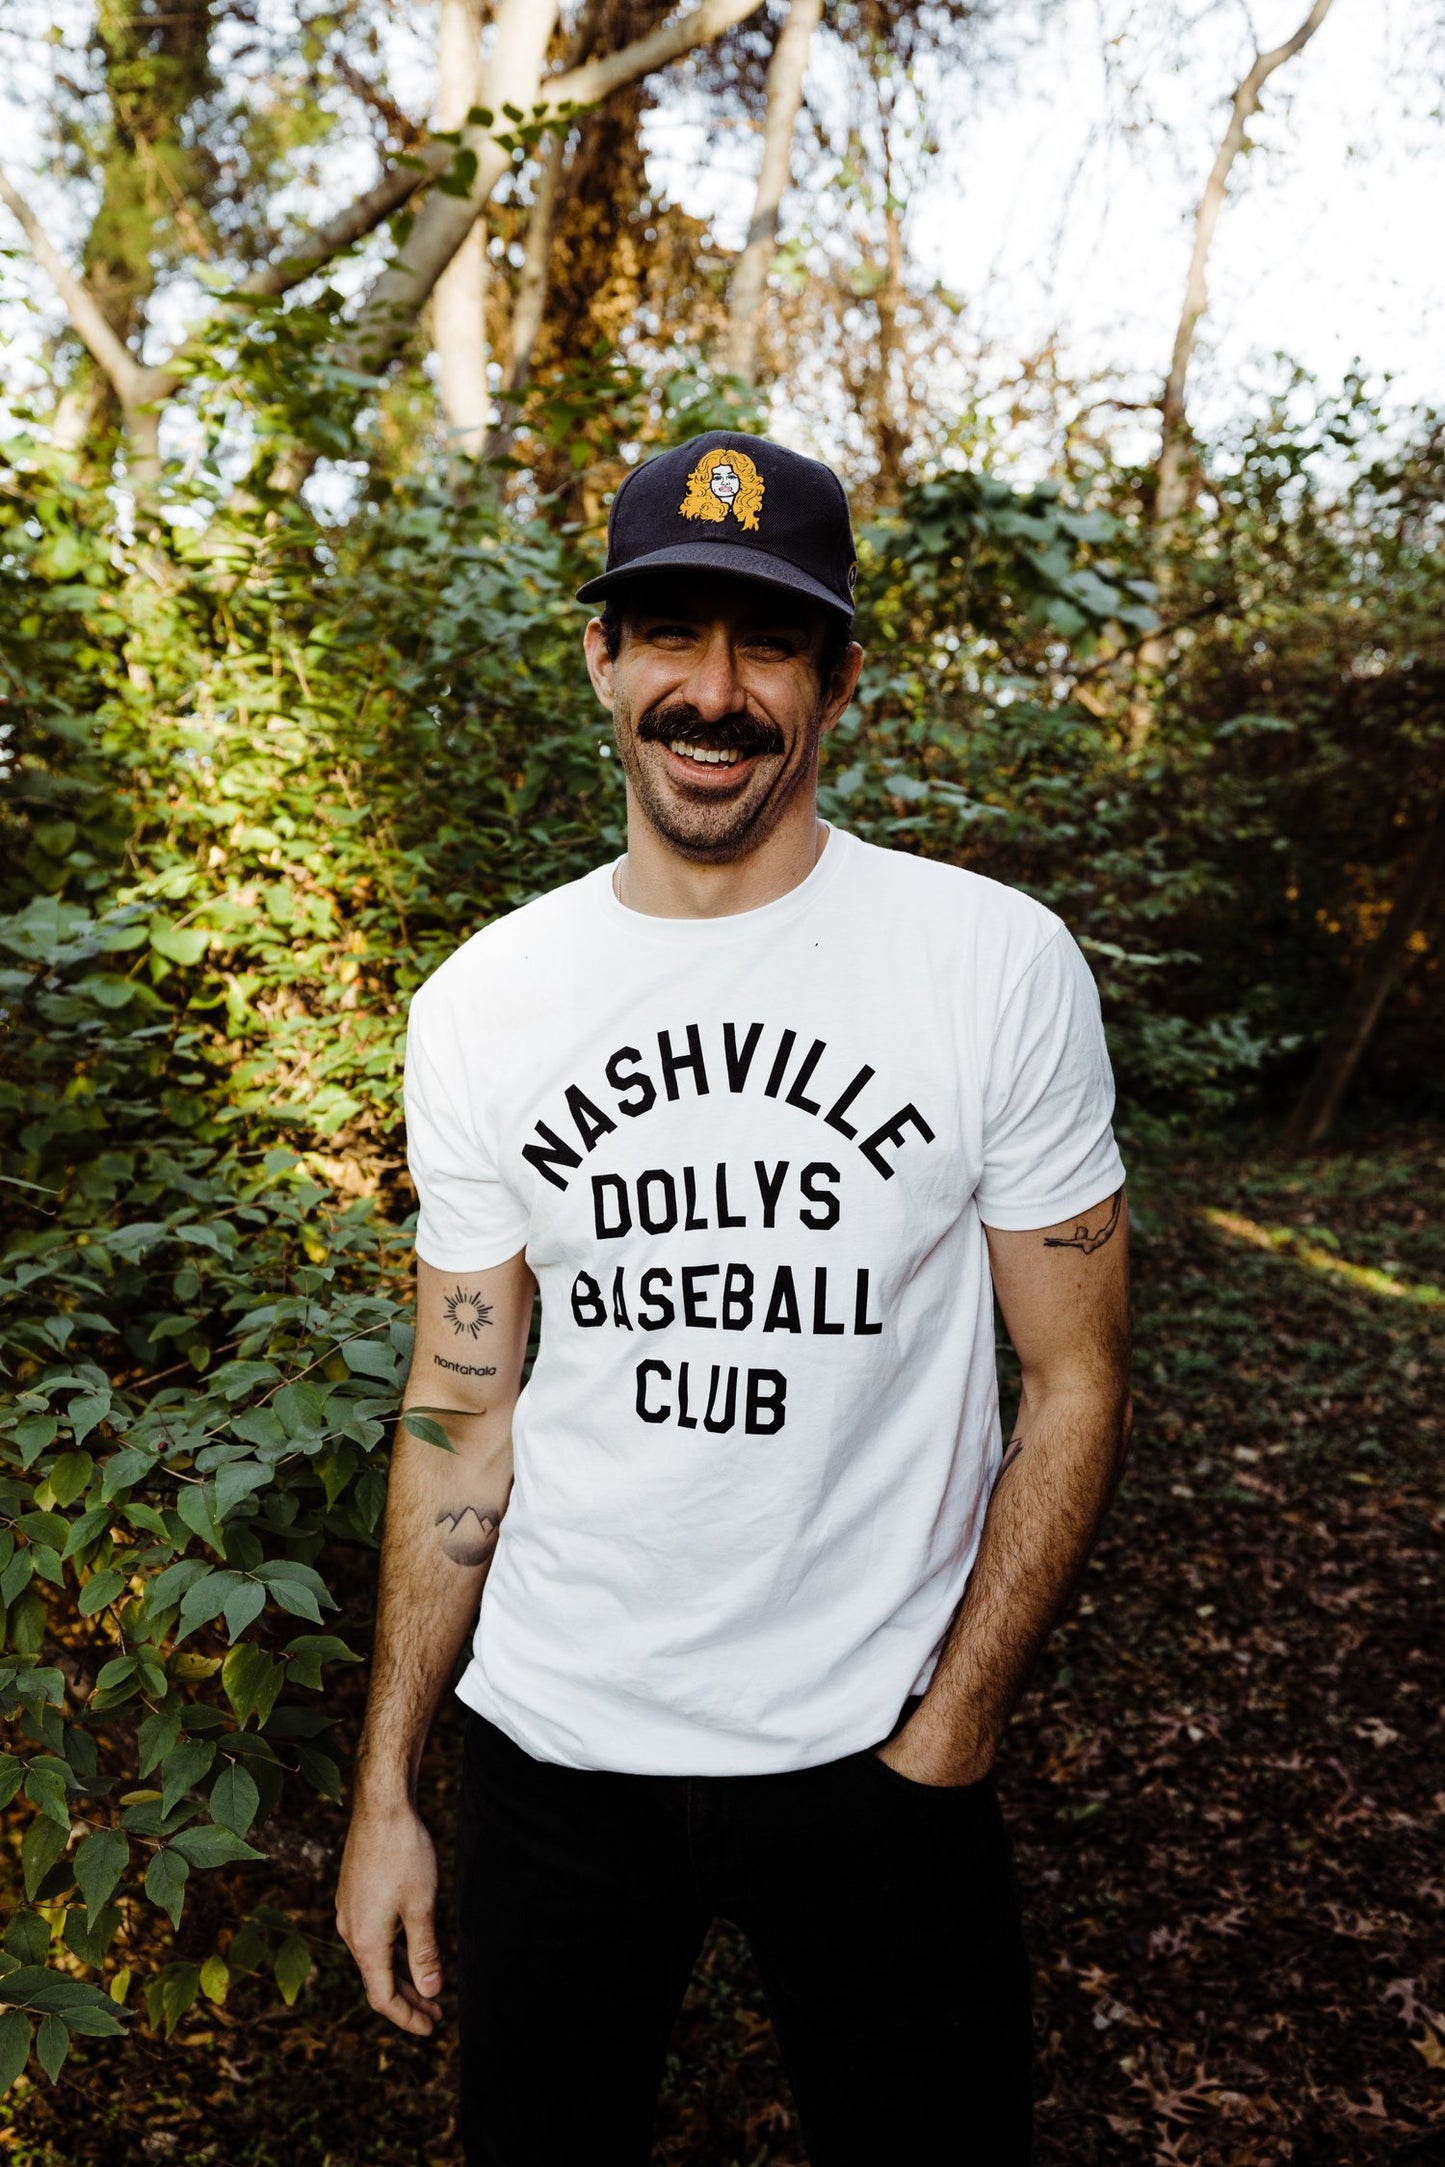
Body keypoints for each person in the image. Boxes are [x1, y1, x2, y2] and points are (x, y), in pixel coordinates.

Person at [335, 429, 1132, 2165]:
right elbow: (462, 1411)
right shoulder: (487, 1002)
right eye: (672, 635)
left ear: (835, 678)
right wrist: (387, 1789)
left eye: (765, 642)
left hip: (877, 1759)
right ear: (602, 658)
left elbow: (1068, 1378)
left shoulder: (989, 965)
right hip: (552, 1760)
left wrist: (958, 1722)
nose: (715, 692)